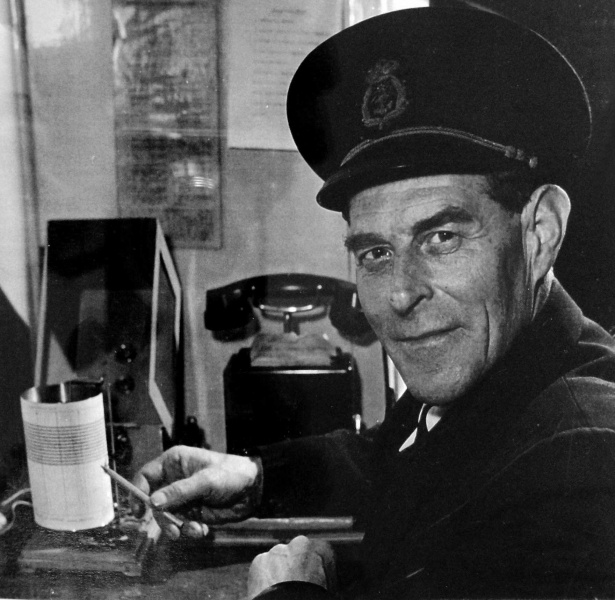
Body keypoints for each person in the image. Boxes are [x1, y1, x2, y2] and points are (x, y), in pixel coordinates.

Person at [134, 7, 615, 599]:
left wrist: (288, 595)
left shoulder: (583, 467)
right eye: (375, 253)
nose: (400, 294)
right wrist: (257, 476)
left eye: (442, 237)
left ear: (539, 232)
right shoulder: (500, 376)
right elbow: (398, 452)